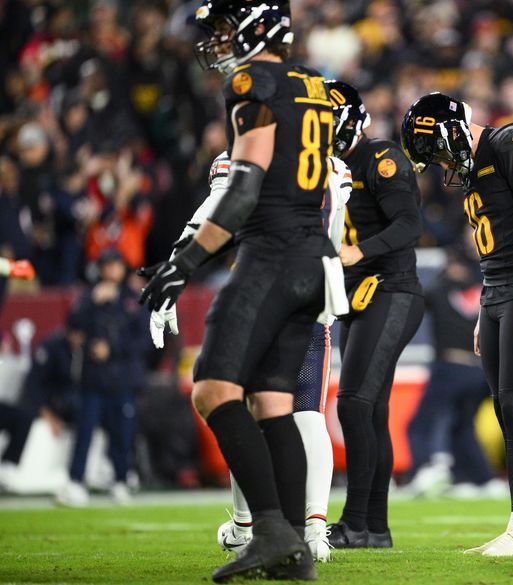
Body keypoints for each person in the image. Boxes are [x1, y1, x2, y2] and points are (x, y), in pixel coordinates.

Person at [139, 1, 344, 581]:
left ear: (257, 30)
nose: (221, 43)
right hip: (314, 259)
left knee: (211, 389)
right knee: (273, 403)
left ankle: (270, 531)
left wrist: (186, 261)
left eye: (228, 30)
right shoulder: (314, 86)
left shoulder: (253, 80)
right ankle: (296, 550)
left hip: (271, 253)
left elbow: (245, 185)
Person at [147, 148, 351, 562]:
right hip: (317, 288)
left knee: (228, 398)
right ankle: (310, 530)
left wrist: (176, 267)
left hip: (263, 286)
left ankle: (247, 524)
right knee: (302, 411)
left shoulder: (249, 146)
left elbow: (216, 211)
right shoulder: (330, 161)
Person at [401, 93, 513, 556]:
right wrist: (484, 308)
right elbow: (493, 249)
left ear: (454, 129)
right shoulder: (473, 169)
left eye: (436, 149)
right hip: (497, 292)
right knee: (503, 409)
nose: (438, 162)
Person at [323, 80, 424, 549]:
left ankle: (356, 522)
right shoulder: (327, 165)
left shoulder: (381, 156)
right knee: (371, 410)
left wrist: (356, 252)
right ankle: (375, 529)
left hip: (392, 290)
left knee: (354, 403)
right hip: (360, 296)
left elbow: (409, 225)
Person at [56, 248, 149, 507]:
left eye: (115, 265)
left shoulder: (133, 299)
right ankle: (76, 481)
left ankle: (120, 480)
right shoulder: (89, 297)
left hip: (122, 379)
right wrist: (91, 303)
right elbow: (72, 327)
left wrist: (112, 349)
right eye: (107, 266)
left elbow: (143, 341)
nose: (111, 271)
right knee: (84, 431)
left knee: (122, 433)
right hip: (93, 379)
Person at [406, 245, 497, 496]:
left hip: (451, 366)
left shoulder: (441, 288)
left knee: (419, 425)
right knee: (463, 426)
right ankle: (481, 478)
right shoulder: (484, 291)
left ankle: (425, 469)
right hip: (480, 370)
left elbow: (417, 301)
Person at [0, 316, 83, 489]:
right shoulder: (51, 347)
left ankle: (78, 473)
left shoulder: (82, 351)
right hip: (44, 402)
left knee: (89, 412)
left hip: (65, 403)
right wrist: (47, 414)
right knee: (24, 414)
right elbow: (33, 386)